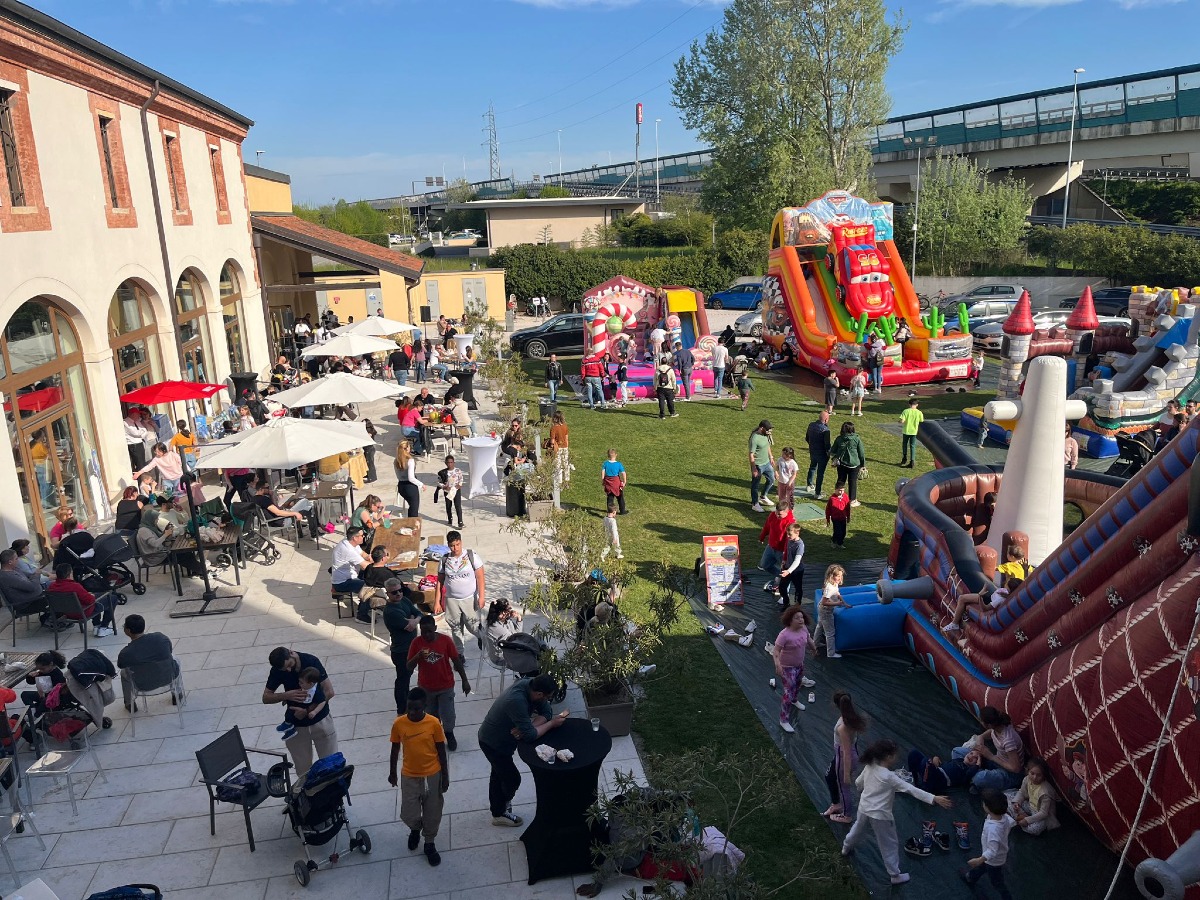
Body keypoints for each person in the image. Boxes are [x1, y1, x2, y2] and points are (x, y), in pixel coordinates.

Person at [841, 739, 954, 886]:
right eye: (895, 755)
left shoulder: (870, 766)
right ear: (888, 757)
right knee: (889, 843)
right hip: (880, 816)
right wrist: (934, 798)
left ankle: (846, 847)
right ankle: (894, 875)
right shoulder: (889, 777)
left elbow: (858, 783)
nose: (897, 757)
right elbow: (910, 789)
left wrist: (863, 790)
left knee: (857, 828)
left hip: (864, 808)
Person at [477, 674, 567, 827]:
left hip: (503, 741)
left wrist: (529, 727)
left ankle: (497, 809)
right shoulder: (516, 700)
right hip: (494, 743)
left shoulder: (530, 685)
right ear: (539, 694)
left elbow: (546, 713)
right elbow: (531, 736)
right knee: (512, 779)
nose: (548, 701)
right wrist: (550, 724)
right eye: (548, 698)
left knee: (499, 775)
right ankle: (501, 811)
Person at [389, 687, 449, 867]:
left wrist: (445, 776)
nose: (413, 712)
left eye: (417, 709)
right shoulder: (399, 724)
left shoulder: (434, 723)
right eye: (410, 708)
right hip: (409, 775)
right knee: (409, 813)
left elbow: (441, 750)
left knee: (433, 811)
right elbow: (394, 749)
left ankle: (429, 843)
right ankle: (415, 828)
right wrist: (392, 772)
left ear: (425, 706)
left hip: (432, 775)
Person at [262, 647, 338, 780]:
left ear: (291, 653)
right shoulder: (278, 670)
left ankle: (332, 798)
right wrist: (286, 695)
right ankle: (307, 798)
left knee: (330, 767)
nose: (289, 671)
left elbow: (329, 691)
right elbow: (266, 697)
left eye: (289, 665)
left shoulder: (311, 661)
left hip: (321, 721)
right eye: (284, 670)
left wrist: (309, 711)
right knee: (303, 771)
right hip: (297, 727)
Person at [406, 616, 470, 751]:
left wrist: (465, 680)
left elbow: (456, 660)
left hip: (445, 686)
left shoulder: (446, 641)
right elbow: (408, 667)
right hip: (426, 688)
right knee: (432, 716)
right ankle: (436, 736)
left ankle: (449, 734)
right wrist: (417, 657)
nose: (427, 635)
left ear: (435, 628)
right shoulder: (416, 643)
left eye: (429, 631)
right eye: (423, 632)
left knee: (448, 714)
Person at [823, 691, 868, 825]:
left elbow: (846, 752)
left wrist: (847, 774)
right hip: (845, 755)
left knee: (844, 787)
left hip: (844, 758)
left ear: (837, 705)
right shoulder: (851, 717)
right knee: (830, 776)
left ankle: (846, 815)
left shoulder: (843, 727)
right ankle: (836, 804)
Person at [116, 614, 179, 709]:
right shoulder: (161, 638)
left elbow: (120, 665)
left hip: (142, 685)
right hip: (168, 677)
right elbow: (169, 651)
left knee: (124, 672)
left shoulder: (126, 653)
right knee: (174, 659)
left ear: (128, 630)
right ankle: (177, 694)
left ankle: (129, 704)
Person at [437, 531, 484, 654]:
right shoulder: (445, 560)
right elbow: (439, 582)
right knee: (455, 627)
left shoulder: (471, 556)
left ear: (461, 542)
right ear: (448, 545)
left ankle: (482, 637)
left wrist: (482, 597)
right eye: (452, 545)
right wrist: (437, 601)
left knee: (472, 626)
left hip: (469, 598)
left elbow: (480, 577)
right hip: (451, 599)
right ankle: (460, 653)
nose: (455, 548)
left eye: (458, 544)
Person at [772, 605, 816, 733]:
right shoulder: (784, 635)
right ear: (790, 620)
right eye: (797, 618)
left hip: (799, 665)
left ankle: (795, 700)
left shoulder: (803, 629)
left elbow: (808, 639)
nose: (801, 620)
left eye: (802, 617)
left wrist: (814, 648)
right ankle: (783, 720)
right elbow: (776, 651)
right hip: (787, 668)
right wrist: (777, 665)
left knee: (797, 684)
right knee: (788, 692)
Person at [960, 706, 1025, 792]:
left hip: (1010, 774)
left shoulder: (1008, 741)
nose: (981, 722)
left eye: (982, 721)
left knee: (979, 778)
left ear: (989, 724)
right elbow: (991, 732)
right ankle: (975, 772)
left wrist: (991, 756)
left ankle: (973, 775)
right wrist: (981, 737)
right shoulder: (997, 727)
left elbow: (1016, 768)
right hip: (997, 762)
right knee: (958, 751)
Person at [965, 789, 1016, 899]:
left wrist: (979, 859)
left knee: (997, 881)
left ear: (988, 807)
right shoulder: (1004, 817)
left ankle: (1007, 897)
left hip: (994, 861)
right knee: (983, 867)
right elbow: (1012, 822)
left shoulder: (994, 829)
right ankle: (971, 877)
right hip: (995, 857)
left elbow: (992, 851)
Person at [383, 579, 423, 713]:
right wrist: (414, 618)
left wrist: (414, 618)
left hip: (411, 648)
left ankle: (406, 705)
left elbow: (419, 614)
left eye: (400, 590)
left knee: (406, 678)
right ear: (388, 593)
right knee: (402, 681)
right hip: (401, 651)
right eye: (394, 592)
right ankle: (402, 709)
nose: (399, 594)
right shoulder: (390, 611)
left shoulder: (404, 600)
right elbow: (410, 627)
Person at [136, 502, 202, 578]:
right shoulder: (144, 531)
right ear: (150, 519)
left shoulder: (149, 527)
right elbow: (154, 544)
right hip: (155, 557)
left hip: (160, 553)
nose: (157, 521)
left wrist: (167, 535)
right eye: (155, 519)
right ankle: (201, 570)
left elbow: (158, 540)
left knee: (186, 552)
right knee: (182, 554)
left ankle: (197, 570)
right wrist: (165, 535)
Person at [48, 562, 116, 637]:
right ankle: (103, 627)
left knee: (95, 596)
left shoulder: (51, 587)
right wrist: (92, 595)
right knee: (112, 598)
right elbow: (90, 600)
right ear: (70, 574)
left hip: (66, 613)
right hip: (82, 612)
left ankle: (97, 626)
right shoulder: (75, 586)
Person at [1009, 756, 1060, 835]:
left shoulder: (1045, 792)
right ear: (1027, 771)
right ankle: (1022, 816)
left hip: (1039, 814)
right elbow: (1022, 792)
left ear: (1043, 776)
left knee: (1036, 829)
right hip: (1030, 806)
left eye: (1038, 775)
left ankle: (1020, 819)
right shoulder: (1026, 779)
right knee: (1009, 798)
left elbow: (1043, 813)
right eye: (1032, 773)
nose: (1034, 777)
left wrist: (1027, 820)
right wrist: (1017, 802)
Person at [0, 548, 45, 620]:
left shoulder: (15, 569)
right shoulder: (7, 577)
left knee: (53, 591)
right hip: (26, 604)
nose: (18, 560)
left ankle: (50, 618)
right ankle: (49, 619)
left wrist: (35, 575)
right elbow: (31, 587)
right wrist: (37, 574)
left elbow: (29, 575)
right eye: (16, 559)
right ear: (10, 562)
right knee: (55, 598)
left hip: (34, 598)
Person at [815, 564, 850, 657]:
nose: (840, 578)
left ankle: (815, 643)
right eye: (837, 576)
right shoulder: (829, 587)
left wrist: (844, 602)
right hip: (825, 610)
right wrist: (837, 604)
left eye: (841, 575)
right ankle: (831, 653)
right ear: (832, 576)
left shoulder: (834, 583)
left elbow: (837, 593)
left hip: (822, 609)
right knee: (830, 632)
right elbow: (824, 602)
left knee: (820, 626)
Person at [830, 422, 865, 507]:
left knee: (841, 480)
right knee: (852, 482)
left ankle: (838, 496)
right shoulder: (857, 439)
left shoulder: (839, 439)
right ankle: (852, 500)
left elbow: (833, 450)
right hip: (854, 464)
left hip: (841, 464)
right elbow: (861, 453)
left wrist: (835, 456)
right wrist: (863, 465)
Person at [331, 526, 371, 602]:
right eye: (362, 535)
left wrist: (370, 558)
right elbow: (365, 566)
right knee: (370, 588)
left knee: (372, 578)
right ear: (355, 538)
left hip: (350, 575)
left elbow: (363, 554)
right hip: (343, 582)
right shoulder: (348, 550)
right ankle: (362, 611)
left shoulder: (349, 542)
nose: (364, 537)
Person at [21, 650, 66, 716]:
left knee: (43, 703)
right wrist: (30, 676)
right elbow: (31, 682)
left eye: (43, 668)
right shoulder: (42, 672)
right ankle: (32, 709)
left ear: (50, 664)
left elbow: (60, 691)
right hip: (42, 695)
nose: (40, 670)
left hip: (53, 698)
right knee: (25, 694)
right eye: (39, 669)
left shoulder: (57, 675)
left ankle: (37, 715)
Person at [749, 420, 776, 513]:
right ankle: (755, 504)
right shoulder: (754, 438)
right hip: (758, 465)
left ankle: (763, 496)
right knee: (755, 485)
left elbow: (767, 445)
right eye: (767, 429)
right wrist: (754, 468)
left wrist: (771, 456)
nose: (769, 431)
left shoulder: (765, 435)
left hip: (767, 463)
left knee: (772, 479)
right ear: (761, 428)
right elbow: (751, 454)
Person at [805, 408, 832, 500]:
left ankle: (809, 484)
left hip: (813, 451)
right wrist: (829, 453)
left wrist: (811, 445)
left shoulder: (811, 425)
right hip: (822, 454)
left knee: (812, 467)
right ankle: (817, 492)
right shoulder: (825, 430)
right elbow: (827, 445)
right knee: (820, 473)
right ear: (826, 419)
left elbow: (807, 438)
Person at [777, 520, 805, 607]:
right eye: (787, 534)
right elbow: (787, 551)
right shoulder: (790, 540)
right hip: (787, 567)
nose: (788, 536)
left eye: (790, 534)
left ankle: (797, 604)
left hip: (797, 571)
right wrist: (784, 561)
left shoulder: (800, 545)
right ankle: (786, 603)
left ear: (797, 533)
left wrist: (788, 571)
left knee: (798, 588)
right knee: (782, 587)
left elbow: (797, 561)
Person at [395, 440, 423, 518]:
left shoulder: (396, 460)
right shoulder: (410, 461)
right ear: (407, 448)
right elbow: (411, 478)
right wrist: (421, 484)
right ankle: (412, 526)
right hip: (410, 487)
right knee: (414, 510)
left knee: (411, 506)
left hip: (401, 486)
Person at [436, 454, 465, 529]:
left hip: (456, 490)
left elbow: (461, 479)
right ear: (446, 463)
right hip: (447, 491)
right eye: (448, 462)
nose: (450, 464)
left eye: (451, 462)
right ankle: (450, 518)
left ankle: (460, 522)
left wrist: (459, 485)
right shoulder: (443, 473)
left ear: (454, 463)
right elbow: (439, 482)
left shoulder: (457, 471)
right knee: (448, 505)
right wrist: (444, 486)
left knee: (458, 505)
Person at [601, 448, 628, 516]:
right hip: (616, 483)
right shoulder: (618, 464)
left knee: (610, 497)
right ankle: (622, 511)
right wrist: (624, 481)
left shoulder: (605, 463)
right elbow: (623, 473)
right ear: (616, 455)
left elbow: (603, 471)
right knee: (620, 497)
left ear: (608, 455)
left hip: (608, 482)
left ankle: (610, 511)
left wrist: (603, 480)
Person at [898, 397, 923, 468]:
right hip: (914, 431)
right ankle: (912, 461)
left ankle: (904, 457)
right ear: (917, 405)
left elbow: (902, 421)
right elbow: (921, 421)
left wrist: (899, 421)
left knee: (904, 444)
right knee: (912, 446)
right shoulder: (919, 412)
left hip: (906, 431)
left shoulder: (906, 411)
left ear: (909, 404)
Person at [549, 411, 570, 487]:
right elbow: (566, 438)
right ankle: (567, 482)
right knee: (565, 464)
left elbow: (552, 441)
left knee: (558, 465)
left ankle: (560, 482)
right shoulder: (565, 426)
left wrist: (550, 448)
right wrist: (566, 447)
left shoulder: (554, 428)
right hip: (565, 447)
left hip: (557, 448)